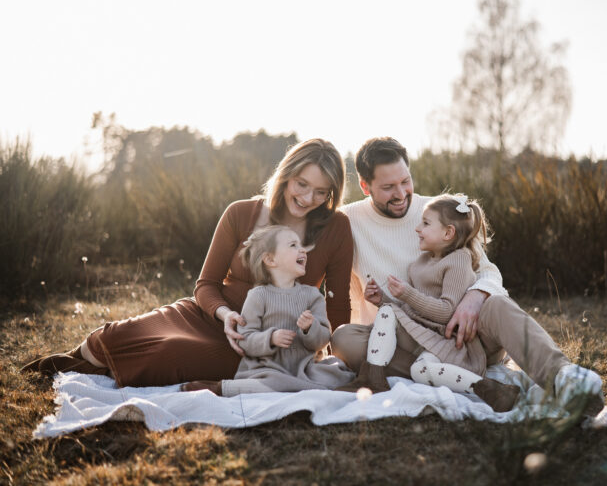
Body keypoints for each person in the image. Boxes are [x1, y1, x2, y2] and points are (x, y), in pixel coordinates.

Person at [22, 138, 354, 387]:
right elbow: (206, 285)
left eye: (321, 192)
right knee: (117, 334)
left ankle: (90, 369)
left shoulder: (336, 227)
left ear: (331, 193)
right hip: (210, 315)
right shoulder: (241, 212)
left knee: (171, 353)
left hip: (262, 342)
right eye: (302, 185)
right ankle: (84, 358)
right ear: (287, 176)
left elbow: (337, 305)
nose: (309, 199)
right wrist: (224, 315)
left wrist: (320, 349)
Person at [332, 137, 604, 415]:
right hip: (409, 343)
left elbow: (488, 271)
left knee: (496, 304)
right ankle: (474, 382)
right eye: (388, 187)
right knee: (344, 340)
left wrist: (474, 297)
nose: (401, 194)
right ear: (365, 186)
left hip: (465, 335)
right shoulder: (347, 222)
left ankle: (564, 378)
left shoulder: (438, 211)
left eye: (405, 181)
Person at [336, 193, 521, 412]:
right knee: (414, 362)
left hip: (446, 338)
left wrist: (406, 293)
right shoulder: (419, 264)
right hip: (424, 334)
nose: (417, 229)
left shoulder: (458, 260)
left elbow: (446, 312)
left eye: (425, 223)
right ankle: (374, 378)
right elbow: (412, 310)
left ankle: (487, 388)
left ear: (448, 232)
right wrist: (382, 299)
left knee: (416, 364)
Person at [182, 225, 354, 396]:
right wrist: (270, 338)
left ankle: (302, 385)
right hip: (268, 368)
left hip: (304, 367)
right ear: (270, 260)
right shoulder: (258, 296)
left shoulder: (312, 295)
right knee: (273, 382)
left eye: (301, 245)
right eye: (293, 245)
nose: (303, 250)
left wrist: (310, 328)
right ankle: (222, 388)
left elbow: (323, 339)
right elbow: (245, 339)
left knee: (338, 373)